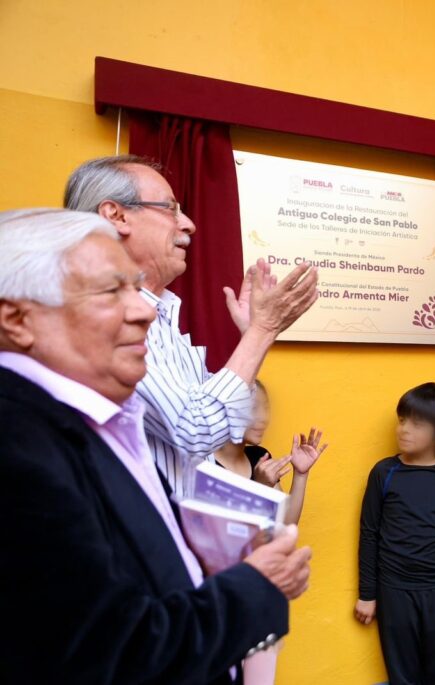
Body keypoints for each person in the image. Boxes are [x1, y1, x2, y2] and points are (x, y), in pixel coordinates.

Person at [0, 209, 311, 684]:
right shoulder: (19, 447)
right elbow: (109, 653)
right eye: (112, 291)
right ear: (18, 320)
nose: (146, 312)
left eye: (136, 289)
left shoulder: (92, 418)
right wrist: (256, 587)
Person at [64, 155, 320, 496]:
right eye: (170, 209)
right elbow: (197, 430)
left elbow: (222, 421)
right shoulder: (100, 313)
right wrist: (262, 332)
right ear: (116, 216)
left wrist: (252, 335)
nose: (188, 225)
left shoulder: (162, 314)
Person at [355, 383, 435, 685]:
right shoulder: (384, 473)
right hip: (394, 589)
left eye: (416, 424)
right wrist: (367, 594)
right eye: (402, 419)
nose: (403, 429)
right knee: (402, 675)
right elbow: (369, 533)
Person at [215, 380, 329, 524]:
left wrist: (300, 474)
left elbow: (285, 524)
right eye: (253, 408)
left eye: (266, 408)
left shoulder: (259, 457)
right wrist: (260, 489)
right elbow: (225, 531)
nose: (263, 418)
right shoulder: (206, 463)